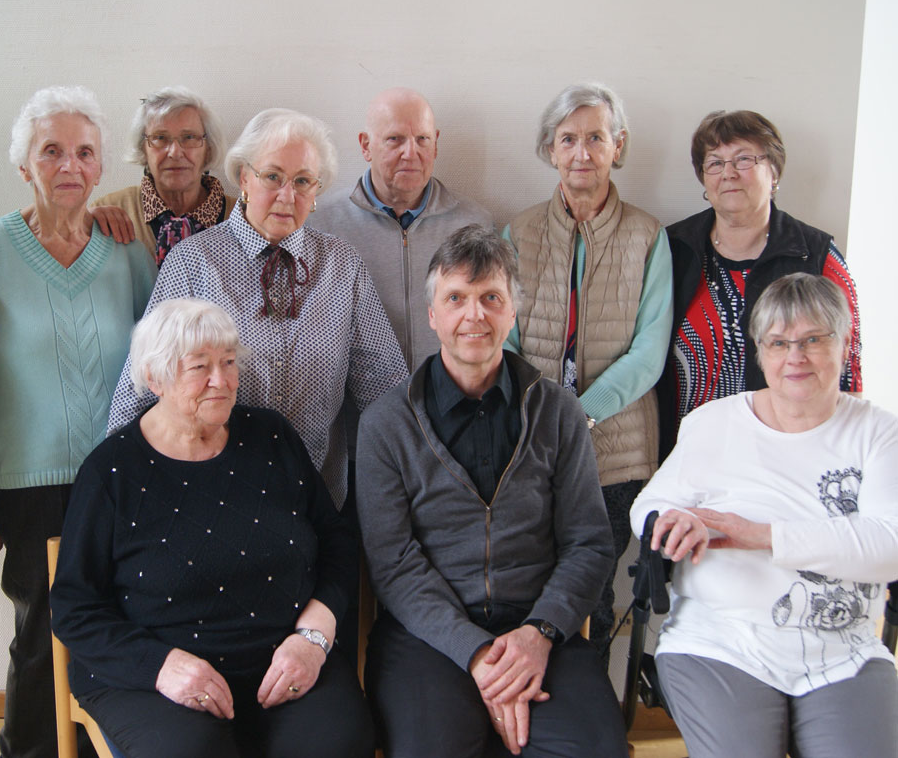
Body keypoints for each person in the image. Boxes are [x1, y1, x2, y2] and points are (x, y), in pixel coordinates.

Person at [50, 299, 375, 758]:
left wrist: (314, 638)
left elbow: (336, 540)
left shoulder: (272, 438)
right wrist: (161, 667)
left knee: (336, 743)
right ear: (155, 378)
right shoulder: (112, 472)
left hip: (286, 658)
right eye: (199, 367)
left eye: (228, 363)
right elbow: (73, 608)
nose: (221, 381)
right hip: (158, 675)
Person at [358, 224, 627, 758]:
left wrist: (539, 635)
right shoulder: (386, 423)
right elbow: (393, 564)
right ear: (433, 314)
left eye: (490, 298)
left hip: (542, 627)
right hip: (427, 637)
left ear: (513, 312)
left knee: (596, 750)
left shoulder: (558, 411)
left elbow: (589, 543)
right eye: (455, 298)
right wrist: (479, 655)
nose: (473, 315)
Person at [0, 86, 157, 758]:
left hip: (122, 472)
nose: (69, 165)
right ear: (23, 165)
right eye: (51, 151)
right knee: (44, 628)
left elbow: (151, 363)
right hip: (27, 478)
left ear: (101, 168)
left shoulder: (126, 247)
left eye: (84, 152)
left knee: (127, 617)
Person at [631, 273, 898, 758]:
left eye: (813, 339)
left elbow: (890, 546)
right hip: (722, 641)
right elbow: (648, 507)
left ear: (844, 343)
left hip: (844, 650)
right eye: (778, 342)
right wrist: (673, 520)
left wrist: (762, 536)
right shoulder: (714, 423)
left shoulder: (879, 432)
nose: (795, 356)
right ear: (760, 351)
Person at [107, 107, 408, 512]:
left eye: (303, 181)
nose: (288, 195)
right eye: (272, 177)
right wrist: (114, 489)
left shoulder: (342, 265)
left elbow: (384, 384)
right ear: (244, 177)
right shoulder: (194, 262)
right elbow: (142, 385)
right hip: (208, 501)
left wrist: (417, 477)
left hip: (314, 500)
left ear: (317, 192)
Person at [504, 83, 673, 658]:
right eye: (568, 139)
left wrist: (583, 413)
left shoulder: (648, 235)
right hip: (532, 441)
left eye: (595, 138)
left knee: (596, 588)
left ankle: (590, 709)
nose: (582, 152)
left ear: (617, 146)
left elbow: (650, 350)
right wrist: (546, 414)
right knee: (531, 581)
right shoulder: (518, 232)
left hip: (618, 448)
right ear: (550, 150)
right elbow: (506, 341)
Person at [658, 109, 862, 459]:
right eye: (715, 163)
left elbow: (848, 362)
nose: (729, 173)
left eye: (744, 159)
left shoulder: (814, 254)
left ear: (775, 172)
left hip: (788, 455)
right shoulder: (673, 249)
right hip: (689, 453)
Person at [311, 86, 493, 370]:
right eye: (395, 140)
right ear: (365, 145)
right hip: (358, 409)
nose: (411, 153)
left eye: (422, 139)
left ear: (436, 144)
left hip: (447, 404)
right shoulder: (322, 224)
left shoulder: (474, 225)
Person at [90, 86, 235, 265]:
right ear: (143, 148)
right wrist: (82, 222)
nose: (175, 152)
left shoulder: (243, 218)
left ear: (209, 148)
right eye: (160, 138)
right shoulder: (109, 213)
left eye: (189, 137)